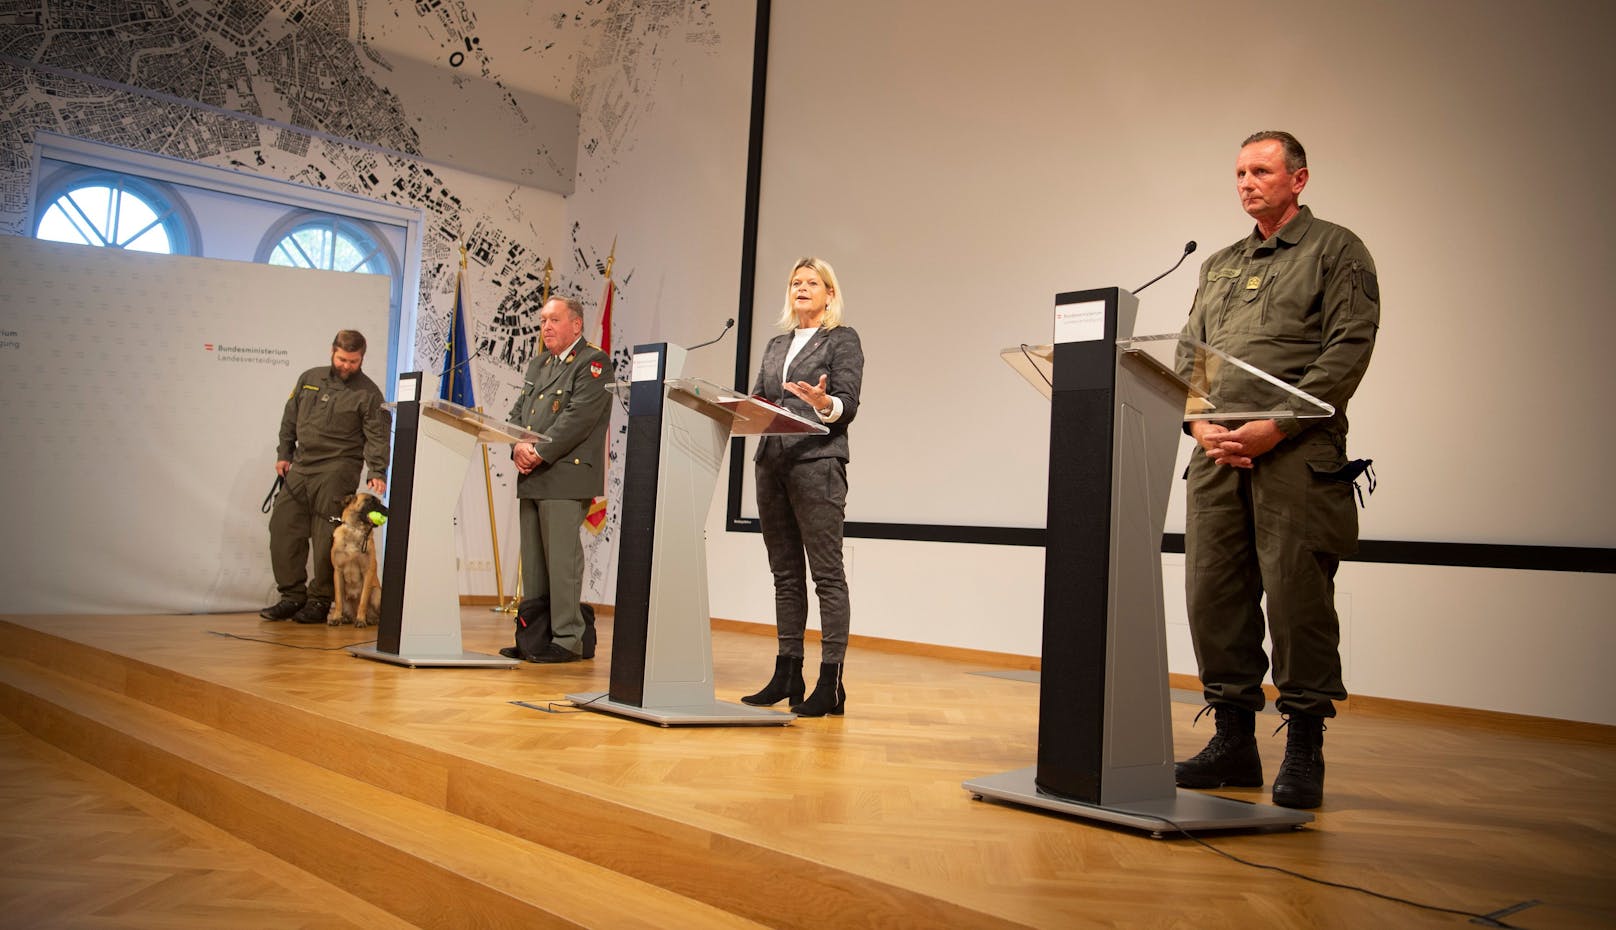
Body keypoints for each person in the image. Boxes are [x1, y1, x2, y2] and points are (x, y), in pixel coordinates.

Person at [1174, 131, 1380, 809]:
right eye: (1238, 171)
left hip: (1296, 454)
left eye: (1260, 170)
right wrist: (1199, 422)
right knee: (1215, 597)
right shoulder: (1222, 264)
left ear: (1299, 179)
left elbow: (1345, 352)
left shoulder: (1336, 250)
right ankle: (1233, 741)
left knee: (1298, 603)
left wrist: (1275, 427)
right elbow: (1189, 354)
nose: (1246, 182)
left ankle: (1304, 747)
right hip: (1215, 454)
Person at [741, 258, 865, 717]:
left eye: (813, 283)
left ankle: (830, 682)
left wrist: (823, 402)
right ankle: (787, 671)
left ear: (830, 294)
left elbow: (847, 405)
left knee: (826, 576)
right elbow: (759, 398)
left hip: (817, 464)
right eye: (796, 282)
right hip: (771, 464)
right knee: (785, 575)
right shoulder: (776, 344)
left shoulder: (842, 340)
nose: (803, 288)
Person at [506, 296, 611, 663]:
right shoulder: (540, 364)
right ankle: (533, 635)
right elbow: (520, 411)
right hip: (534, 474)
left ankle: (568, 639)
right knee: (533, 564)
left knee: (562, 563)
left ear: (576, 325)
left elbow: (578, 418)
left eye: (554, 320)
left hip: (565, 474)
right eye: (543, 321)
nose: (546, 327)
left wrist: (537, 452)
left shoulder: (593, 362)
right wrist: (518, 445)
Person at [261, 330, 391, 623]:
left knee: (324, 536)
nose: (346, 365)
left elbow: (378, 435)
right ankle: (292, 596)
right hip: (303, 463)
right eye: (342, 359)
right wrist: (284, 453)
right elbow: (289, 417)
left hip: (338, 466)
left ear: (362, 359)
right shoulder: (310, 378)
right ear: (332, 352)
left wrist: (377, 471)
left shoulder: (369, 394)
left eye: (354, 361)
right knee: (283, 529)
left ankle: (320, 600)